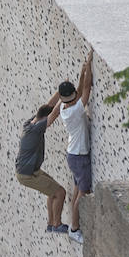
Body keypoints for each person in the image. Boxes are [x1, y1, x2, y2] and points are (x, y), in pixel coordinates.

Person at [15, 90, 67, 233]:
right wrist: (66, 97)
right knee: (60, 193)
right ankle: (57, 225)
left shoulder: (30, 122)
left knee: (52, 193)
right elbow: (54, 114)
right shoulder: (36, 129)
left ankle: (51, 224)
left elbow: (49, 106)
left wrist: (59, 91)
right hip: (28, 175)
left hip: (29, 171)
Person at [56, 48, 94, 244]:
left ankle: (73, 225)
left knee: (77, 190)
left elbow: (79, 91)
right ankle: (75, 227)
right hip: (79, 156)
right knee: (84, 192)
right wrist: (88, 68)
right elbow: (85, 90)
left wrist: (82, 72)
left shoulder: (64, 108)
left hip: (73, 154)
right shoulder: (76, 110)